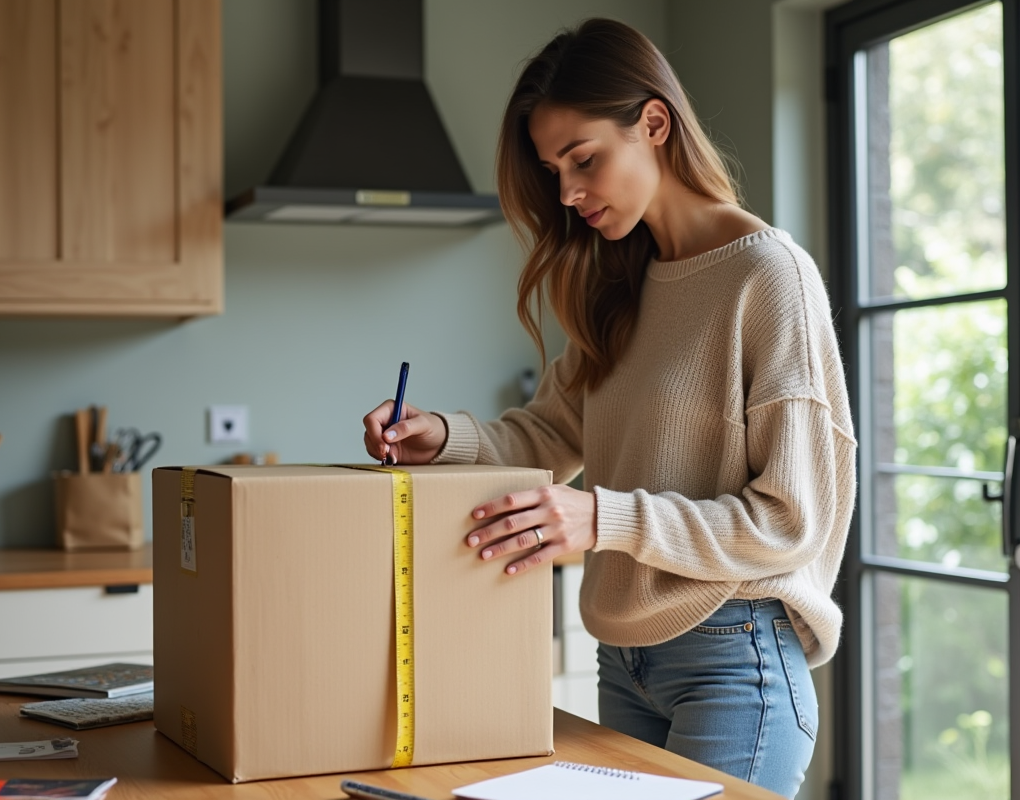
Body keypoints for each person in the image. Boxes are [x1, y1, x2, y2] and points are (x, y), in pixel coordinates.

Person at [361, 17, 855, 800]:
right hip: (623, 662)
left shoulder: (768, 279)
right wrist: (443, 437)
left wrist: (602, 519)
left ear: (654, 123)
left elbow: (790, 524)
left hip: (735, 661)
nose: (566, 192)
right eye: (553, 168)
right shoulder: (615, 283)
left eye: (583, 159)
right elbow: (550, 433)